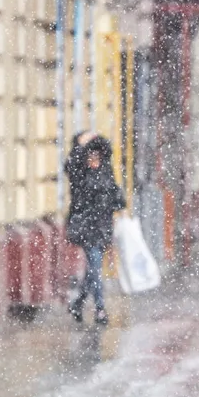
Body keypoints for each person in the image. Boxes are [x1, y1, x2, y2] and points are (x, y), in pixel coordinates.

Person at [66, 131, 126, 326]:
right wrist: (79, 144)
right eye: (90, 155)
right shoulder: (80, 174)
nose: (94, 159)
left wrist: (119, 208)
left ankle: (78, 303)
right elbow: (70, 165)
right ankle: (100, 309)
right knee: (95, 266)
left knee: (92, 270)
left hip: (102, 227)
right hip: (85, 227)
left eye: (97, 155)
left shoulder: (106, 172)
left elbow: (116, 197)